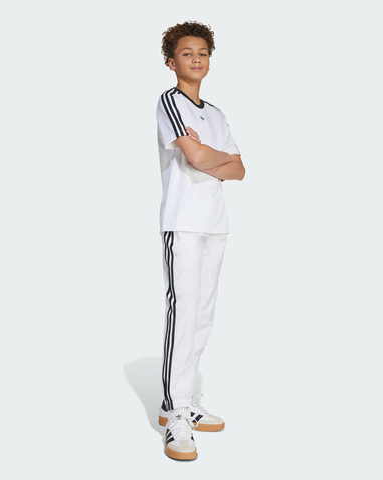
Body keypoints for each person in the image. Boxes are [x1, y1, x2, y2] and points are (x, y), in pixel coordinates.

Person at [156, 21, 245, 461]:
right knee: (184, 312)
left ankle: (186, 400)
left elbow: (240, 170)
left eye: (203, 53)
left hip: (215, 223)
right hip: (184, 222)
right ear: (172, 62)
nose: (196, 59)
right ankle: (174, 411)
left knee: (204, 315)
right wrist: (214, 158)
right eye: (187, 53)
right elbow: (193, 156)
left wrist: (213, 157)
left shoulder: (217, 115)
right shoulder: (170, 102)